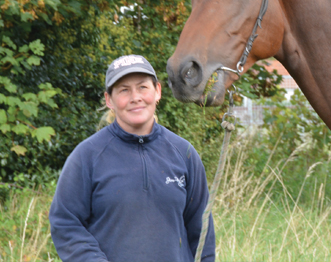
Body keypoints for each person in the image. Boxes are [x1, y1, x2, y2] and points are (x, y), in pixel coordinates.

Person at [49, 54, 215, 262]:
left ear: (158, 92)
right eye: (124, 90)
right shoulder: (87, 156)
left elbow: (202, 231)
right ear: (109, 100)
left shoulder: (184, 154)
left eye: (142, 87)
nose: (135, 97)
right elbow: (65, 222)